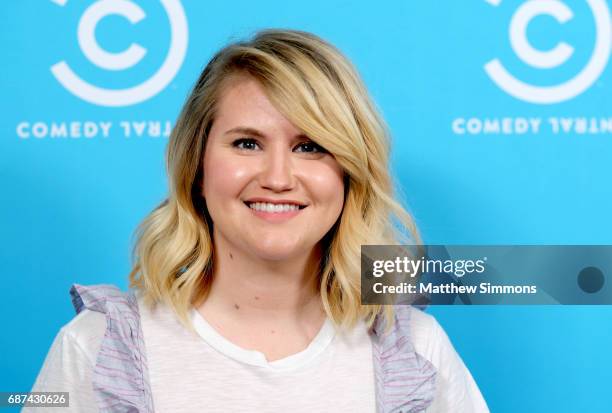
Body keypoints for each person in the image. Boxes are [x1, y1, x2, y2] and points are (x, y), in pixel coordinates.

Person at [25, 29, 488, 412]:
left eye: (310, 146)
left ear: (348, 174)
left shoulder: (416, 351)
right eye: (247, 143)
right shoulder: (97, 347)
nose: (278, 177)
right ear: (197, 167)